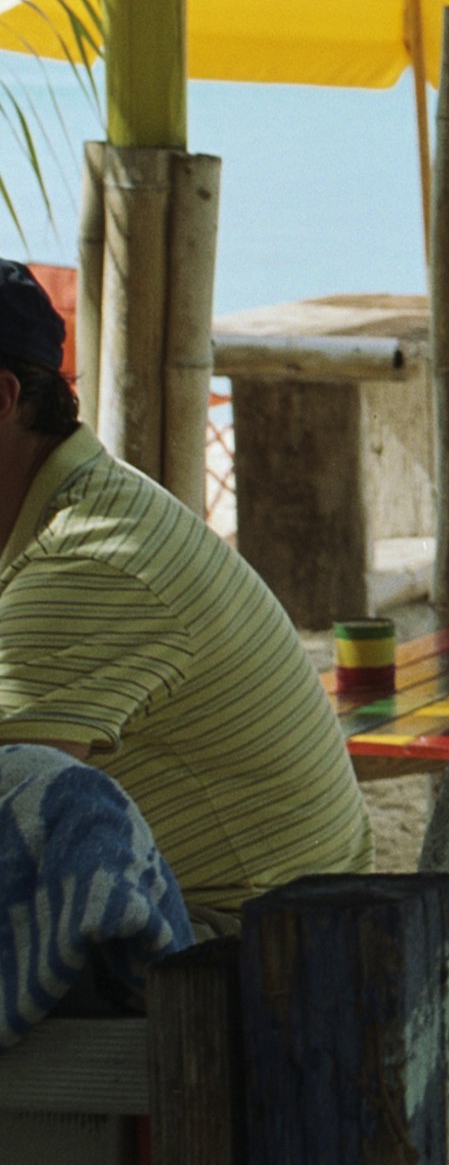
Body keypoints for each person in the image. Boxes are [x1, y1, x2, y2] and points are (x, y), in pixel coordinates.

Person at [0, 258, 371, 929]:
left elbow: (13, 826)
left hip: (241, 961)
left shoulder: (86, 561)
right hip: (276, 923)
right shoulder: (68, 508)